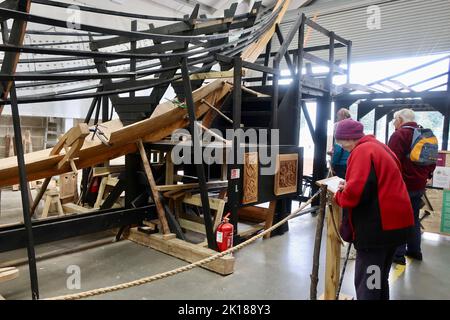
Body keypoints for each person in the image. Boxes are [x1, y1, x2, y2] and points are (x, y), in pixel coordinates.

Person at [333, 118, 414, 300]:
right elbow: (377, 181)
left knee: (368, 283)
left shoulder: (362, 151)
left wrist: (338, 195)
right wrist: (351, 184)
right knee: (378, 279)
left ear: (348, 138)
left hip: (377, 230)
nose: (341, 146)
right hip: (396, 226)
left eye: (341, 141)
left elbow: (353, 195)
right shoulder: (378, 146)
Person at [388, 109, 436, 265]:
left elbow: (391, 162)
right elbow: (431, 161)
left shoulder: (399, 135)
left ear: (400, 119)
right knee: (413, 218)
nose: (394, 123)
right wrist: (425, 177)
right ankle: (415, 251)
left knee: (399, 219)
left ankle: (398, 255)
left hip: (403, 186)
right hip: (419, 186)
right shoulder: (425, 134)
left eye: (394, 120)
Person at [331, 108, 351, 179]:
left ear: (343, 117)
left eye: (338, 117)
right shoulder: (351, 129)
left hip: (341, 166)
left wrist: (332, 164)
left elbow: (338, 151)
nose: (337, 119)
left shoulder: (339, 129)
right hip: (350, 163)